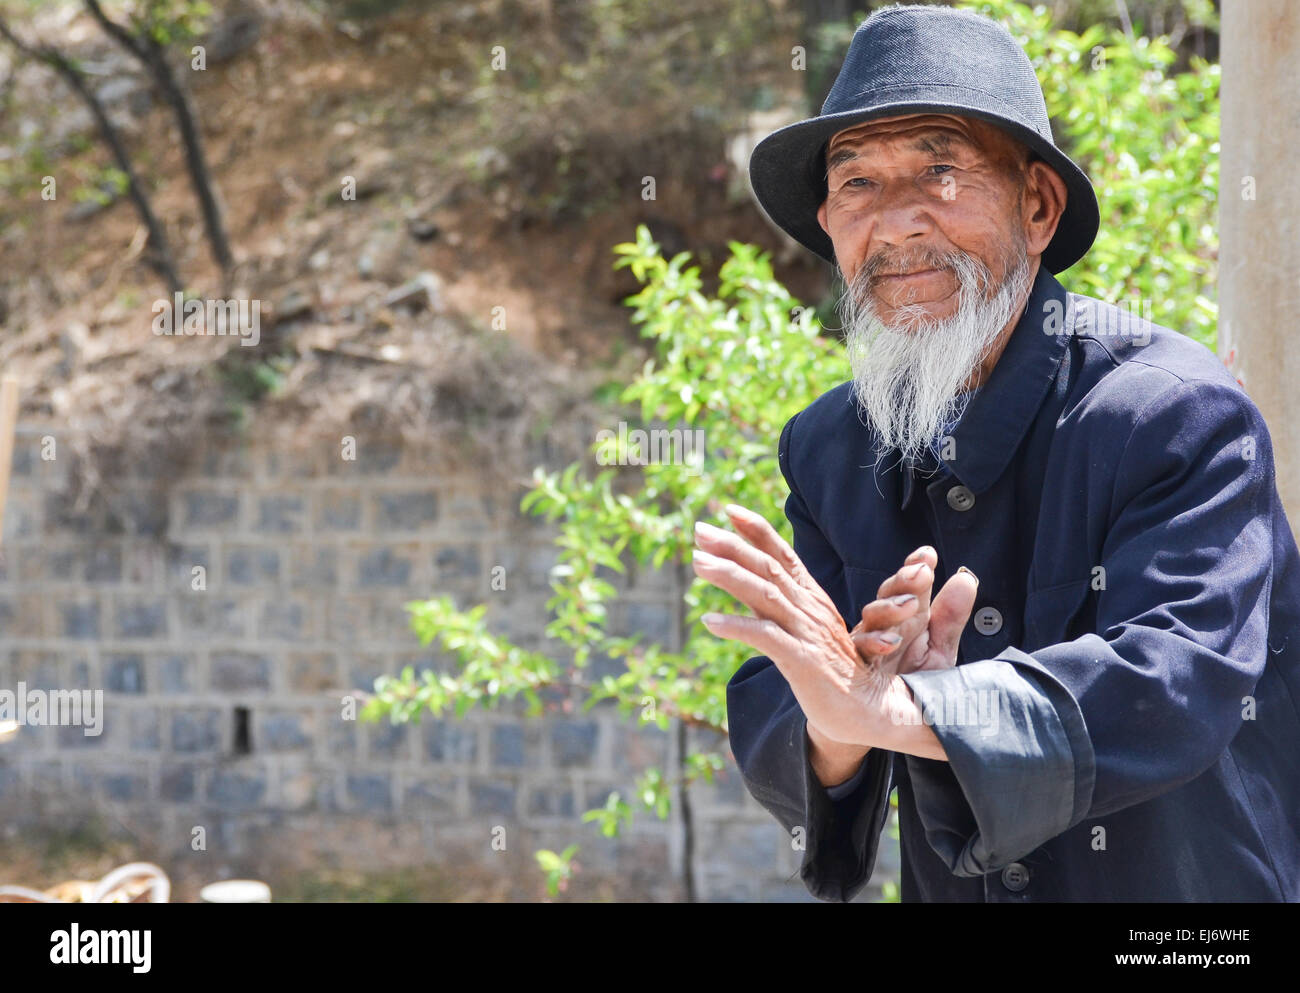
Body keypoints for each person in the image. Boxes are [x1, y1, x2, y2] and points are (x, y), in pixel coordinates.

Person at [693, 4, 1300, 902]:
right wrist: (846, 710)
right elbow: (798, 706)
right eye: (857, 183)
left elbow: (1174, 681)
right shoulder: (829, 446)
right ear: (829, 222)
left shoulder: (1174, 414)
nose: (896, 225)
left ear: (1039, 205)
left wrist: (915, 709)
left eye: (940, 172)